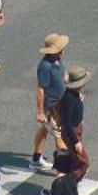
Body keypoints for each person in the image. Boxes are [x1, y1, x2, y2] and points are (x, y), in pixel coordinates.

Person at [32, 33, 69, 173]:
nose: (63, 50)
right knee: (59, 136)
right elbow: (40, 90)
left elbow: (62, 77)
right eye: (60, 48)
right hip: (50, 108)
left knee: (44, 130)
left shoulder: (57, 60)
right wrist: (40, 112)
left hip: (59, 104)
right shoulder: (45, 66)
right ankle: (64, 169)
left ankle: (36, 158)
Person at [55, 64, 90, 180]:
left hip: (75, 130)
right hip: (72, 133)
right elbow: (67, 122)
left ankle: (68, 186)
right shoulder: (69, 99)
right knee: (84, 163)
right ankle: (69, 185)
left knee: (75, 159)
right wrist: (76, 141)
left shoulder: (73, 95)